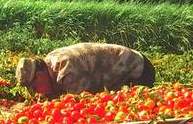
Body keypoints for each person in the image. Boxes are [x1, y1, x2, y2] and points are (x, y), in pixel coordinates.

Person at [15, 42, 154, 97]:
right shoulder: (49, 62)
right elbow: (47, 98)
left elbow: (80, 105)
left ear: (40, 74)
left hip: (137, 69)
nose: (37, 91)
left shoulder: (67, 70)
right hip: (117, 77)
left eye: (34, 86)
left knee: (138, 122)